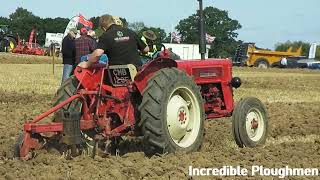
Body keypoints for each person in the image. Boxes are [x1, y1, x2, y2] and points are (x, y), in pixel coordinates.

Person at [78, 14, 149, 69]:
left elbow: (97, 53)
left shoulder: (105, 36)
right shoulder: (131, 32)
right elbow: (146, 49)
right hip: (137, 70)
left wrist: (87, 64)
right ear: (113, 21)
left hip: (116, 74)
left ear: (103, 28)